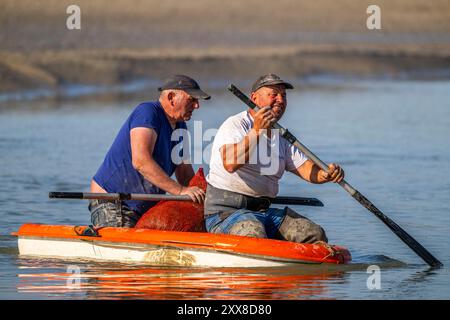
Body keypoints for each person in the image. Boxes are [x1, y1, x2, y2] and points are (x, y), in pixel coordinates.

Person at [204, 74, 344, 243]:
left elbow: (307, 170)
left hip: (263, 212)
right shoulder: (236, 124)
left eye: (284, 96)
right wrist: (256, 131)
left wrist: (326, 174)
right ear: (254, 98)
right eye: (274, 94)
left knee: (314, 233)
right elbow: (230, 163)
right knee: (252, 232)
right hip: (226, 213)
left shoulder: (281, 135)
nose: (280, 100)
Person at [89, 75, 210, 228]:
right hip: (114, 203)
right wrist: (180, 191)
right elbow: (141, 161)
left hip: (145, 209)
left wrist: (205, 197)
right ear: (172, 97)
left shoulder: (180, 127)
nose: (197, 106)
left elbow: (184, 172)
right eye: (192, 99)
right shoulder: (147, 112)